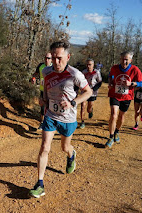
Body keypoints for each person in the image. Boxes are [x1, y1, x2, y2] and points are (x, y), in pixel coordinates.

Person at [29, 41, 92, 198]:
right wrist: (42, 100)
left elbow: (88, 92)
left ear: (68, 57)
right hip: (51, 116)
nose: (56, 62)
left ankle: (71, 155)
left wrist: (73, 103)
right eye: (54, 58)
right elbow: (46, 88)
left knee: (65, 147)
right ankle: (40, 184)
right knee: (44, 147)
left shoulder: (75, 74)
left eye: (60, 58)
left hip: (68, 119)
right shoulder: (46, 72)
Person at [105, 51, 142, 148]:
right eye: (122, 59)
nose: (124, 61)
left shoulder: (135, 69)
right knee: (114, 114)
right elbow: (110, 76)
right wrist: (110, 83)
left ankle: (117, 131)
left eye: (126, 59)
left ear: (131, 60)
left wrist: (131, 84)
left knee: (121, 116)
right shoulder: (114, 68)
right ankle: (110, 137)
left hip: (127, 96)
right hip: (114, 94)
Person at [78, 58, 102, 129]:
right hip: (84, 91)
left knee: (89, 108)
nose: (88, 66)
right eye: (87, 64)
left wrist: (93, 89)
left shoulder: (96, 72)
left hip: (93, 92)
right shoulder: (83, 72)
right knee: (83, 106)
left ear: (93, 65)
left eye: (90, 64)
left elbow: (100, 82)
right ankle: (82, 122)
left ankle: (90, 111)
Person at [32, 53, 52, 130]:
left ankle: (51, 123)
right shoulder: (41, 66)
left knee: (50, 107)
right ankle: (42, 123)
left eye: (49, 58)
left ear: (51, 59)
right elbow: (35, 74)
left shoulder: (54, 67)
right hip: (42, 90)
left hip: (52, 91)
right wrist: (33, 78)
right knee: (42, 107)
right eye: (46, 58)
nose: (47, 60)